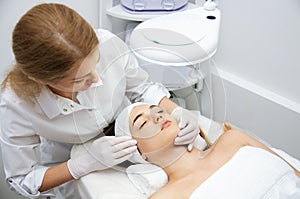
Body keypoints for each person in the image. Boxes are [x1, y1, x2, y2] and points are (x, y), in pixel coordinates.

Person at [0, 3, 202, 198]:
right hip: (71, 165)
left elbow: (142, 88)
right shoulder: (16, 104)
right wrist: (81, 165)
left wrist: (177, 111)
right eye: (79, 80)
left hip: (129, 137)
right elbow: (23, 178)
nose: (96, 80)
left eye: (96, 64)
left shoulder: (108, 43)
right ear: (40, 80)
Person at [115, 102, 300, 199]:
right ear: (139, 152)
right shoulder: (167, 196)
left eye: (158, 110)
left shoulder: (233, 139)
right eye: (143, 122)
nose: (156, 116)